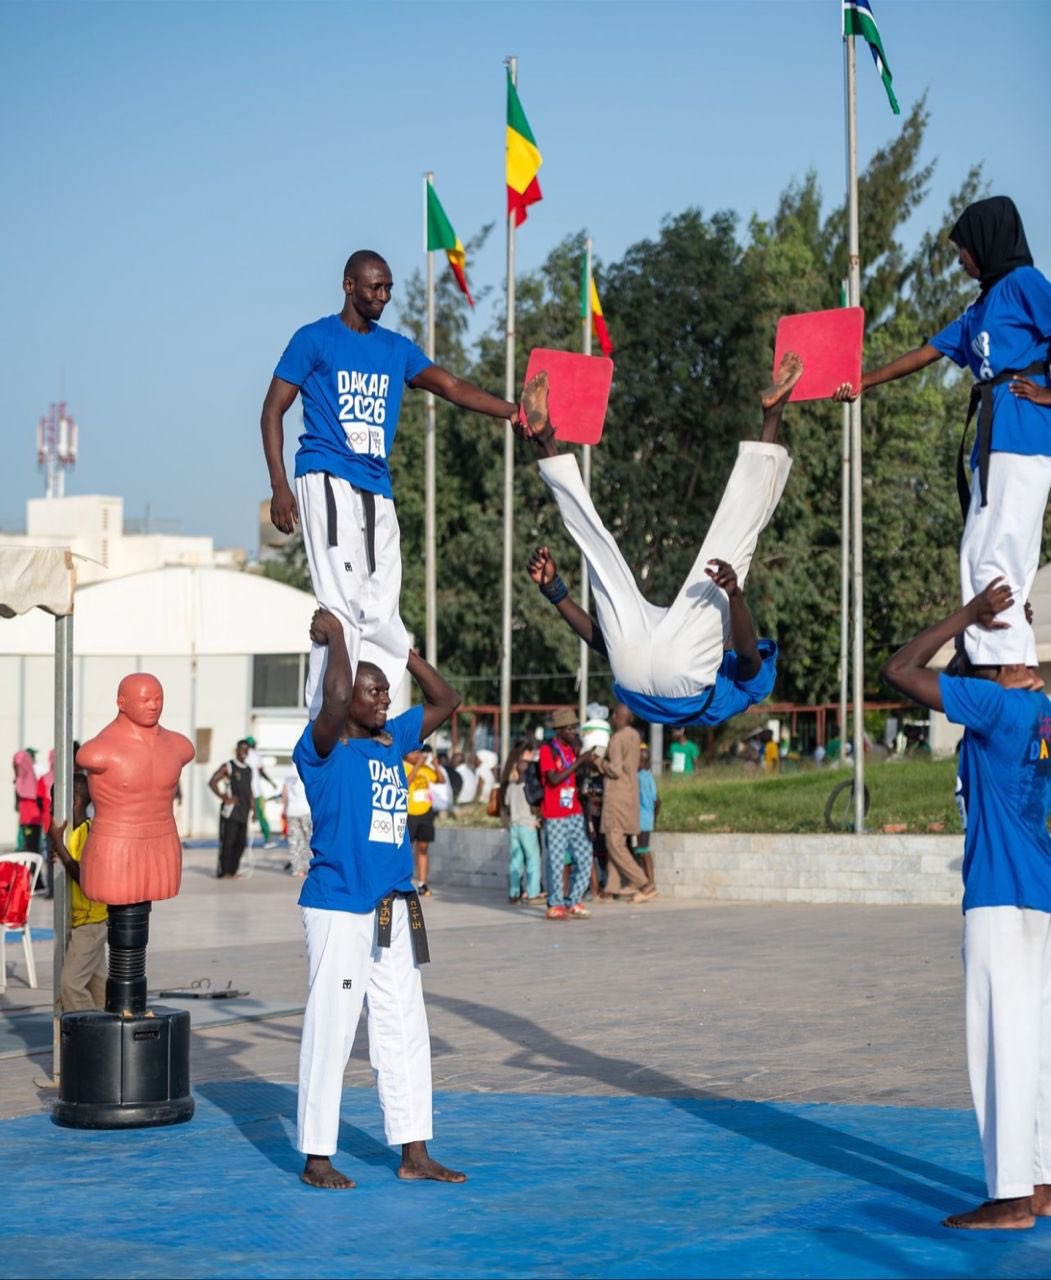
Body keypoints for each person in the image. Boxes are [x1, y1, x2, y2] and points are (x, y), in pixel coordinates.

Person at [261, 250, 521, 717]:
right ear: (348, 286)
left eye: (388, 288)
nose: (383, 296)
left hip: (377, 488)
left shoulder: (396, 348)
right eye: (374, 287)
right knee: (341, 604)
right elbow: (272, 409)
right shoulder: (314, 339)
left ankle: (376, 712)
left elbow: (453, 386)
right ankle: (327, 715)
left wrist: (512, 413)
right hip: (327, 477)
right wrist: (280, 485)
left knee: (382, 607)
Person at [881, 575, 1051, 1230]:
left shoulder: (990, 706)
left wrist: (968, 613)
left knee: (997, 1041)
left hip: (997, 901)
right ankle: (1039, 1183)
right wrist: (992, 634)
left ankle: (1009, 1197)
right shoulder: (1038, 711)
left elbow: (900, 668)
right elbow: (957, 670)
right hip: (1042, 900)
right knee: (1038, 1044)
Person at [521, 354, 801, 730]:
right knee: (600, 554)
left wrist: (735, 595)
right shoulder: (684, 644)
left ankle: (772, 415)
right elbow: (602, 641)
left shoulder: (747, 686)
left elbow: (750, 656)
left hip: (681, 679)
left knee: (733, 540)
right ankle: (544, 441)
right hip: (632, 673)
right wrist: (555, 591)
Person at [835, 196, 1051, 666]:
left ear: (987, 242)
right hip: (994, 443)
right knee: (978, 551)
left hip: (1024, 435)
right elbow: (925, 353)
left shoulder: (1024, 283)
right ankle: (989, 652)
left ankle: (1008, 663)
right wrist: (864, 383)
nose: (960, 259)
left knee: (1000, 551)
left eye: (964, 248)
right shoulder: (980, 308)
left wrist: (1049, 394)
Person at [292, 606, 464, 1190]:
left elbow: (447, 701)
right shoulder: (321, 749)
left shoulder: (393, 743)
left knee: (403, 1029)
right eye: (375, 690)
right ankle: (317, 1155)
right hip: (340, 905)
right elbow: (335, 698)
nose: (384, 698)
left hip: (393, 905)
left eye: (386, 691)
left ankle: (414, 1152)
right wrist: (339, 637)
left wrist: (402, 652)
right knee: (334, 1027)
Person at [48, 773, 107, 1011]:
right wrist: (61, 853)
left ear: (73, 801)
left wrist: (60, 848)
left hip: (91, 923)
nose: (51, 807)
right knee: (98, 983)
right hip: (82, 921)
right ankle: (110, 1028)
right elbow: (71, 863)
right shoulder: (74, 833)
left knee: (71, 985)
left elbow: (85, 878)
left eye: (54, 800)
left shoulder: (91, 832)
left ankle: (87, 1032)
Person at [538, 709, 595, 921]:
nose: (573, 731)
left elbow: (572, 777)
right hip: (555, 814)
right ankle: (555, 903)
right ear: (559, 730)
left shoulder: (572, 749)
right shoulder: (547, 750)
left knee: (584, 855)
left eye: (575, 727)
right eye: (570, 728)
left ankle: (574, 900)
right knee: (556, 860)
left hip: (575, 810)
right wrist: (579, 762)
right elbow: (553, 779)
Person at [597, 705, 655, 902]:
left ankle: (644, 883)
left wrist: (597, 762)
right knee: (618, 842)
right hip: (630, 796)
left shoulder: (617, 738)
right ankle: (611, 889)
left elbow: (614, 769)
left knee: (614, 844)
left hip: (616, 796)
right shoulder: (635, 736)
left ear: (616, 717)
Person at [500, 741, 542, 905]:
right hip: (527, 826)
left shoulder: (511, 787)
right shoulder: (528, 786)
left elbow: (508, 807)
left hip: (514, 826)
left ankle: (514, 892)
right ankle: (533, 893)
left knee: (516, 861)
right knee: (533, 860)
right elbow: (533, 807)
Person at [208, 741, 253, 880]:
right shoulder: (229, 766)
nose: (244, 751)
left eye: (246, 749)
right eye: (241, 749)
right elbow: (212, 781)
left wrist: (254, 809)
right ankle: (224, 872)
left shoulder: (248, 769)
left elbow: (249, 790)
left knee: (240, 842)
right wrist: (224, 797)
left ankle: (233, 871)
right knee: (228, 841)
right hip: (231, 811)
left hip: (244, 811)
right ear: (236, 750)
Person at [403, 747, 442, 897]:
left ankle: (422, 883)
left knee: (423, 848)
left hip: (425, 812)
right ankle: (405, 880)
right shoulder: (402, 766)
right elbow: (405, 783)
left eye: (419, 752)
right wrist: (418, 765)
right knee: (407, 849)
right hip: (409, 813)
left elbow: (440, 780)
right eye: (413, 752)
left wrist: (436, 765)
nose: (417, 755)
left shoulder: (426, 768)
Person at [244, 737, 277, 849]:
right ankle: (268, 840)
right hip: (256, 792)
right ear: (253, 745)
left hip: (245, 791)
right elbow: (261, 771)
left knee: (244, 815)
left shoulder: (243, 756)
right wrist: (271, 782)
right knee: (261, 816)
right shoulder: (256, 756)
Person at [282, 761, 313, 877]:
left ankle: (297, 869)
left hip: (292, 811)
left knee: (295, 842)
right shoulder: (306, 767)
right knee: (309, 840)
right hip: (306, 810)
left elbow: (284, 792)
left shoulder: (288, 771)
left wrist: (285, 810)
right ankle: (309, 867)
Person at [635, 745, 660, 888]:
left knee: (643, 851)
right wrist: (654, 819)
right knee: (641, 851)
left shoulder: (638, 777)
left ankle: (650, 882)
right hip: (647, 819)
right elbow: (657, 800)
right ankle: (647, 881)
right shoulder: (649, 776)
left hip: (641, 819)